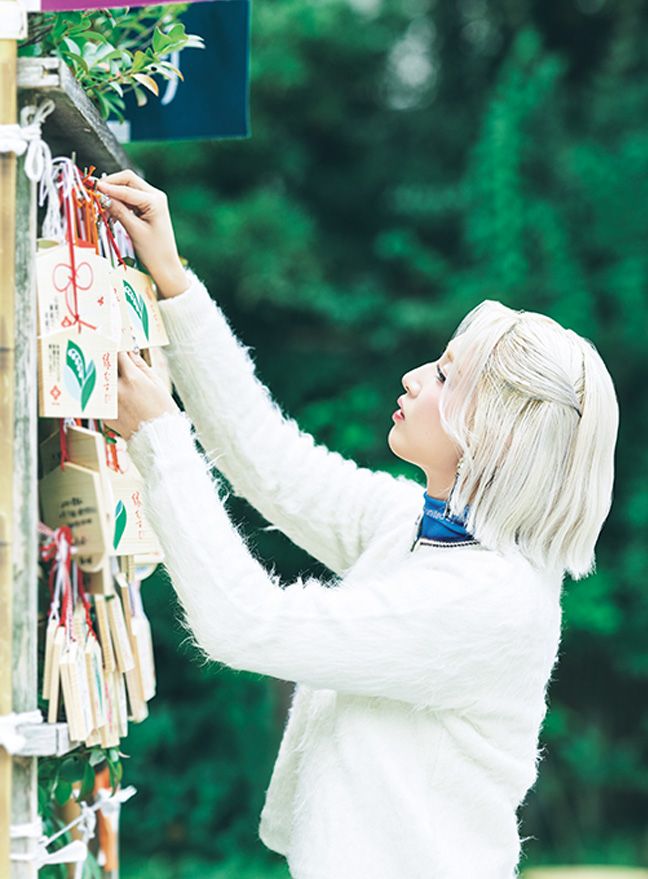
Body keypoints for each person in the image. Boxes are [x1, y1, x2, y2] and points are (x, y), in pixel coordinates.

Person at [96, 170, 619, 879]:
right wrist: (174, 281)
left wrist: (160, 436)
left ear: (493, 430)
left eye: (443, 375)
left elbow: (248, 624)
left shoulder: (486, 600)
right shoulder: (421, 525)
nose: (413, 376)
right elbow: (271, 462)